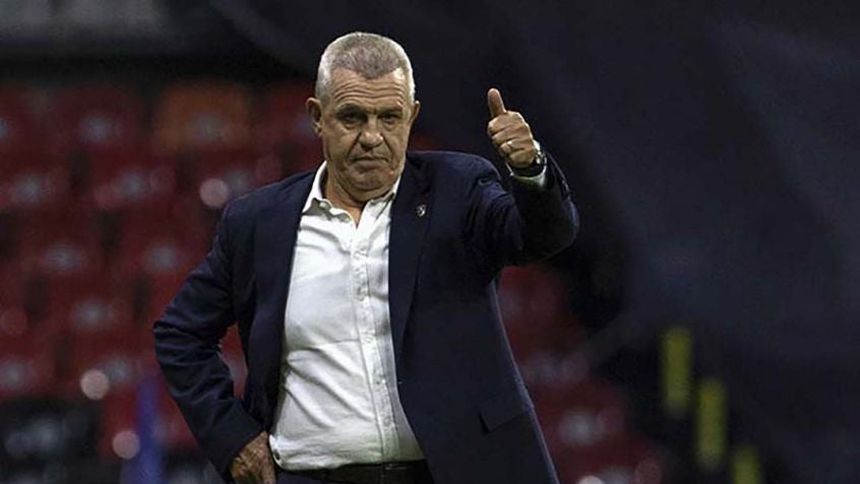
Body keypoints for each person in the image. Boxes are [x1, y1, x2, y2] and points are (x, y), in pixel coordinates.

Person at [154, 31, 578, 484]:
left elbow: (541, 237)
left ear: (411, 116)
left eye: (389, 117)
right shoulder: (258, 223)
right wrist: (232, 437)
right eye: (352, 117)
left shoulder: (458, 191)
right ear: (317, 117)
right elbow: (180, 333)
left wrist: (530, 170)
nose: (372, 137)